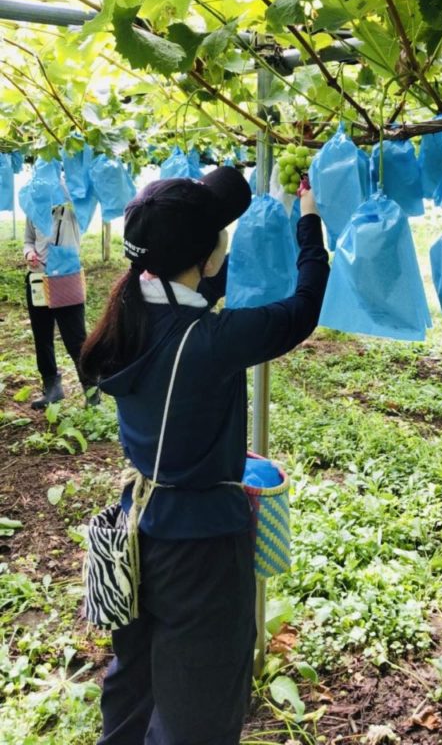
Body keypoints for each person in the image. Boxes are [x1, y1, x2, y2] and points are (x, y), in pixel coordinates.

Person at [79, 168, 329, 745]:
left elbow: (200, 280)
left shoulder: (133, 313)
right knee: (201, 709)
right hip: (200, 552)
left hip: (137, 527)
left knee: (135, 681)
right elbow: (301, 309)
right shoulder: (210, 342)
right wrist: (308, 221)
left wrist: (257, 204)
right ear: (210, 255)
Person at [24, 199, 99, 410]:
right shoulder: (35, 206)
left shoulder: (71, 208)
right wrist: (29, 253)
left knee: (76, 339)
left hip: (66, 279)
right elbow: (28, 240)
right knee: (42, 337)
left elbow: (84, 198)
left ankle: (92, 390)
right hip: (37, 280)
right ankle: (52, 388)